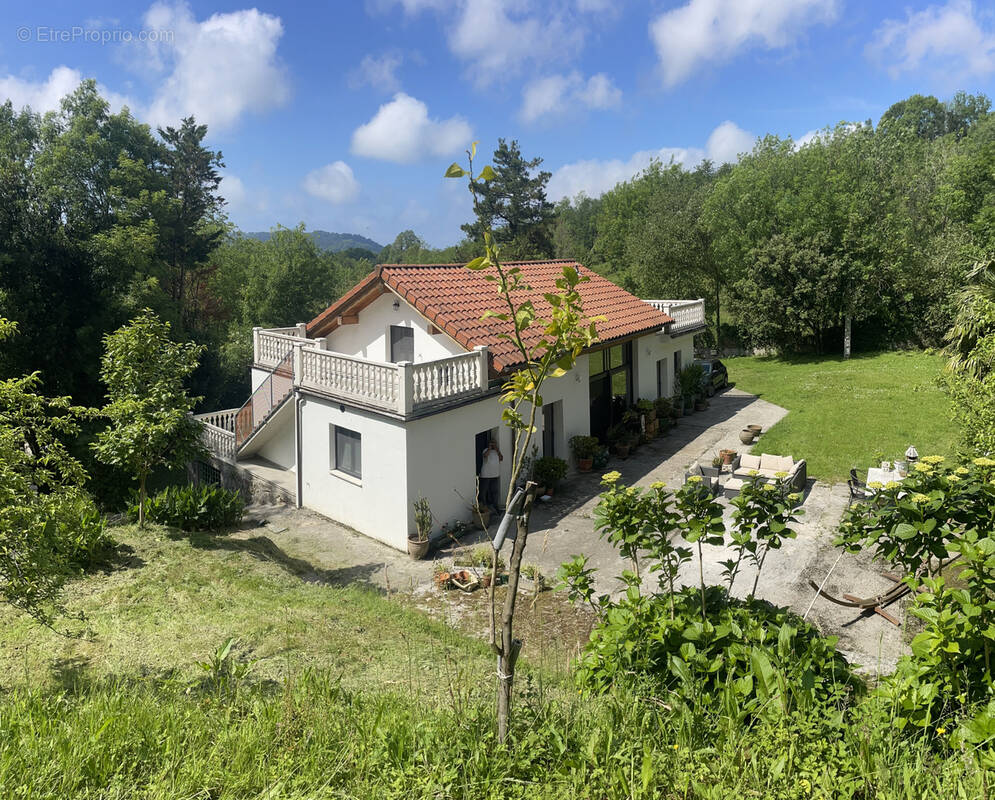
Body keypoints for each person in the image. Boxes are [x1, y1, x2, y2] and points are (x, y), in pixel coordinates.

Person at [478, 437, 503, 511]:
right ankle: (484, 505)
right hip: (486, 475)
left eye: (494, 443)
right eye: (491, 443)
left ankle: (495, 505)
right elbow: (485, 456)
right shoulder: (485, 450)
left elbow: (501, 458)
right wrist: (489, 448)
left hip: (495, 474)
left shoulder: (497, 452)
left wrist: (497, 449)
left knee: (495, 491)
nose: (493, 444)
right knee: (483, 491)